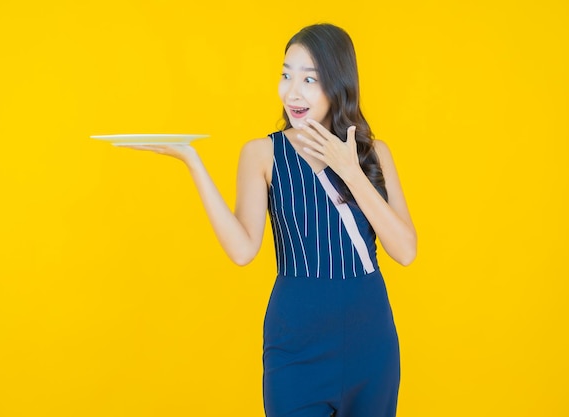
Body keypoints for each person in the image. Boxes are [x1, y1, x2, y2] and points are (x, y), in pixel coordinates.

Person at [124, 23, 416, 417]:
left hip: (371, 343)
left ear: (338, 83)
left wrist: (349, 171)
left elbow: (406, 251)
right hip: (295, 342)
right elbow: (243, 251)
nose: (292, 92)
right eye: (286, 75)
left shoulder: (373, 153)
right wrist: (193, 162)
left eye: (309, 79)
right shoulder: (262, 155)